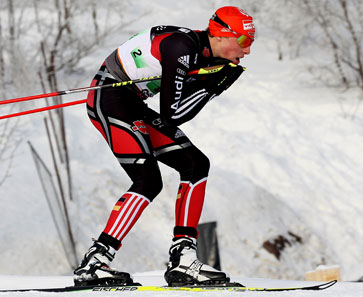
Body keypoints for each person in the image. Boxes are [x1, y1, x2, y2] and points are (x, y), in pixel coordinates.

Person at [75, 6, 255, 287]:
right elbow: (173, 112)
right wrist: (211, 87)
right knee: (147, 181)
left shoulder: (199, 51)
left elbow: (178, 100)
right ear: (221, 35)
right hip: (110, 99)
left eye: (251, 43)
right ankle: (95, 262)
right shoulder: (181, 47)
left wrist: (207, 80)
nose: (247, 50)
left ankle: (183, 258)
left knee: (196, 164)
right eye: (244, 41)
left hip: (131, 102)